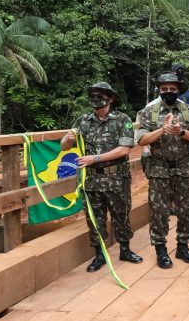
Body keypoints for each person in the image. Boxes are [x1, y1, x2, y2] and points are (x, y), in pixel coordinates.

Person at [61, 82, 143, 272]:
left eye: (101, 95)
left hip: (115, 178)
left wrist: (95, 158)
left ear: (110, 98)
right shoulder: (82, 121)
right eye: (94, 95)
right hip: (91, 181)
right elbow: (65, 146)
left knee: (121, 215)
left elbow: (124, 149)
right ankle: (99, 255)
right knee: (94, 219)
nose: (97, 98)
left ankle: (125, 250)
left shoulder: (122, 120)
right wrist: (66, 139)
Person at [136, 73, 189, 269]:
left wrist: (181, 132)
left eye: (172, 89)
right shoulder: (148, 112)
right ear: (159, 90)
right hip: (159, 169)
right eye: (164, 89)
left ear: (178, 90)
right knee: (159, 211)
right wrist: (162, 130)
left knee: (186, 209)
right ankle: (161, 250)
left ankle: (183, 246)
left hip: (184, 168)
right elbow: (141, 139)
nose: (168, 92)